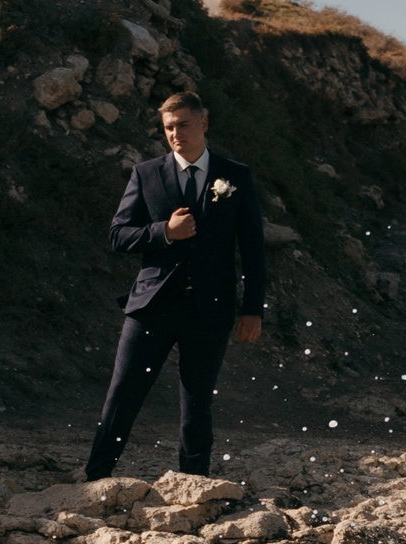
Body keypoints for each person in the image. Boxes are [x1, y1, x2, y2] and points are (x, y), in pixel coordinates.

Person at [85, 92, 268, 480]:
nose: (175, 134)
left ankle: (194, 482)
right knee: (122, 395)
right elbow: (118, 236)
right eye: (168, 127)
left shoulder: (236, 176)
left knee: (197, 402)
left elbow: (253, 248)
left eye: (183, 124)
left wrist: (253, 309)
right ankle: (95, 478)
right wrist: (163, 232)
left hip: (210, 308)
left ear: (203, 123)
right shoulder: (146, 173)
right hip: (151, 305)